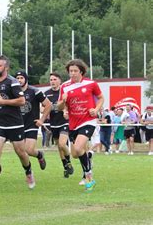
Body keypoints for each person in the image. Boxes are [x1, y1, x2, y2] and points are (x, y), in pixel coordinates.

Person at [0, 55, 35, 192]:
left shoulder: (12, 82)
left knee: (21, 152)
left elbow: (22, 101)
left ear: (6, 67)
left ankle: (28, 171)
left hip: (14, 123)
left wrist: (3, 102)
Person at [57, 59, 104, 192]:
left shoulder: (91, 84)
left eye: (75, 71)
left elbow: (101, 98)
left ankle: (89, 178)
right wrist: (64, 104)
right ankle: (88, 157)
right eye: (70, 71)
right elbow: (59, 106)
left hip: (88, 121)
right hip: (73, 123)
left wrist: (96, 109)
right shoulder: (64, 86)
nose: (72, 73)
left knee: (77, 148)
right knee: (76, 154)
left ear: (81, 71)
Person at [14, 70, 50, 171]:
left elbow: (48, 104)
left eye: (21, 78)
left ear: (26, 79)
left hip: (31, 124)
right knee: (20, 151)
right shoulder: (13, 92)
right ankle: (28, 170)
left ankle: (39, 155)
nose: (19, 80)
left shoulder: (34, 91)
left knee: (28, 150)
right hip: (18, 125)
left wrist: (42, 120)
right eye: (17, 78)